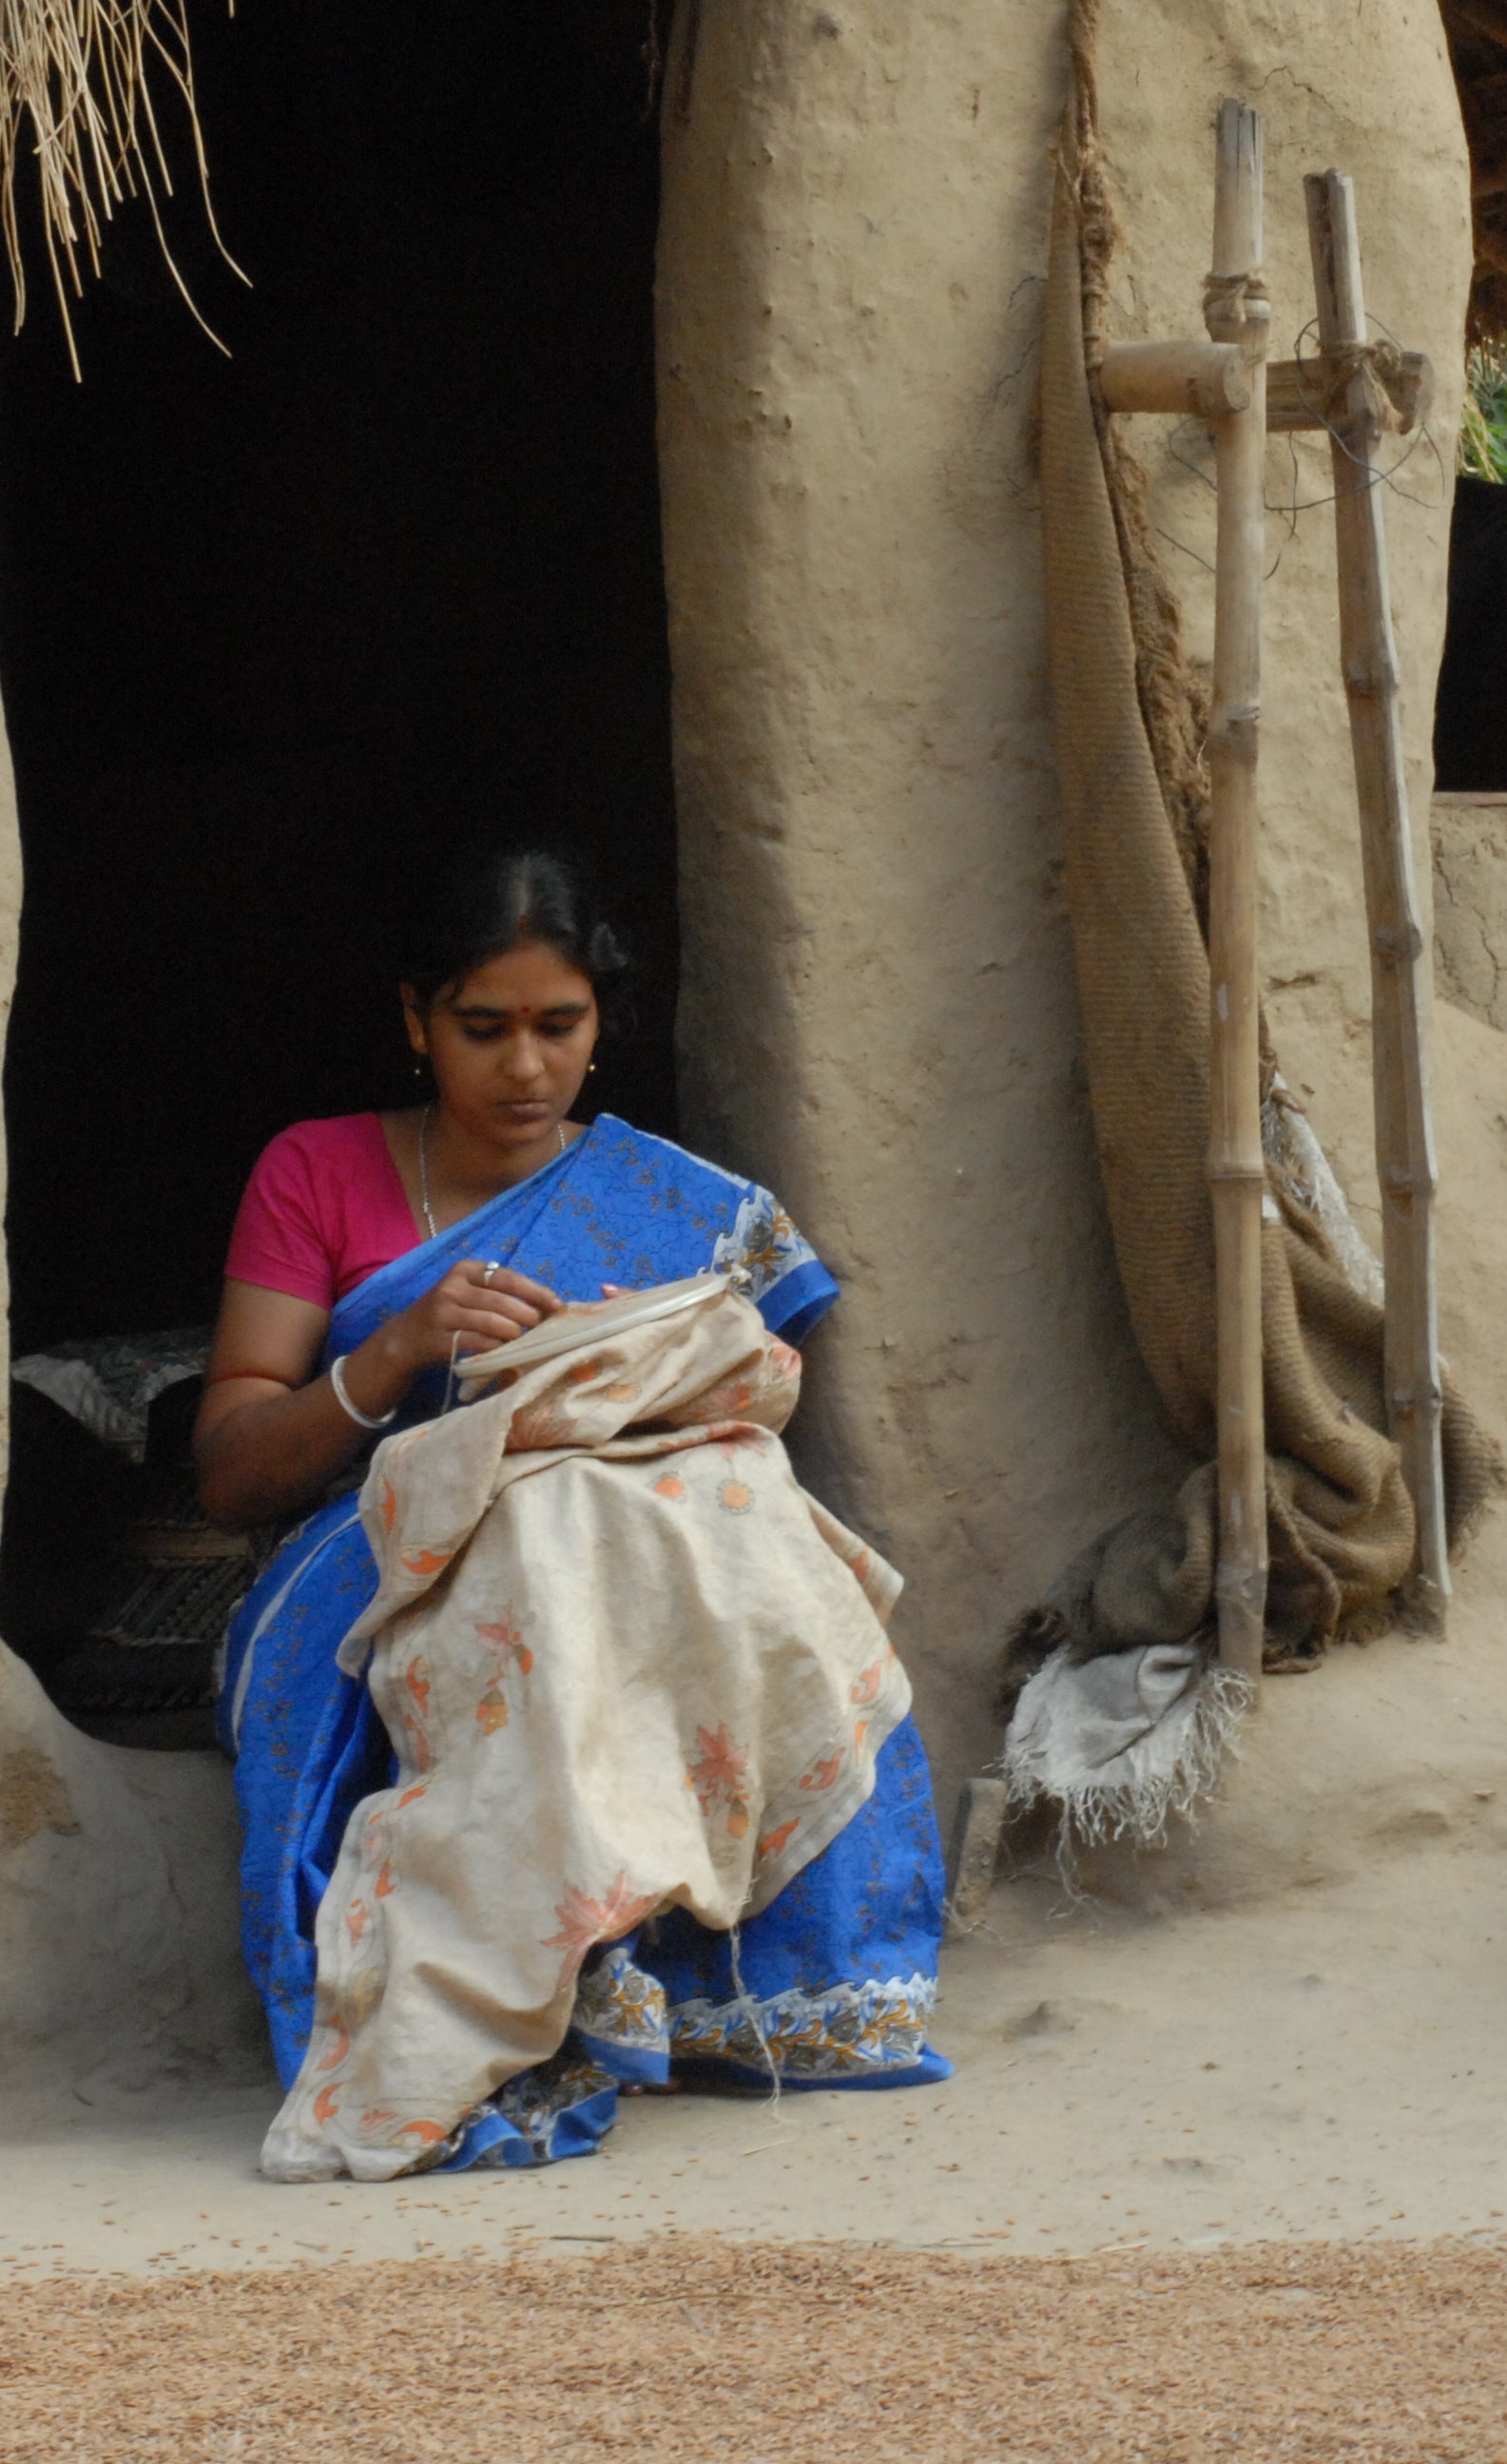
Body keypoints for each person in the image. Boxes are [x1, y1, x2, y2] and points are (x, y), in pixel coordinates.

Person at [203, 848, 946, 2175]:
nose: (526, 1068)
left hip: (622, 1529)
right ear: (414, 1019)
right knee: (542, 1550)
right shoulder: (314, 1174)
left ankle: (769, 1986)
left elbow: (762, 1396)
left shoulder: (676, 1208)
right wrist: (394, 1355)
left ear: (604, 1026)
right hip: (376, 1554)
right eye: (483, 1029)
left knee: (736, 1516)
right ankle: (556, 1977)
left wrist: (636, 1363)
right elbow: (232, 1472)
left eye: (562, 1027)